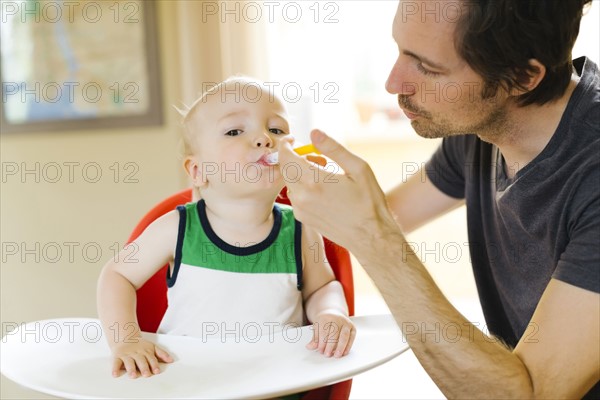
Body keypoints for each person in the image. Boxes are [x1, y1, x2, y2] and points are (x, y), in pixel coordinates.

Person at [278, 0, 599, 398]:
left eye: (427, 68)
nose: (394, 84)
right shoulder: (479, 127)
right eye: (399, 51)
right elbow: (385, 215)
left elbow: (529, 395)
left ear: (521, 77)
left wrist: (376, 241)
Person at [97, 77, 355, 379]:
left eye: (276, 130)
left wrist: (331, 314)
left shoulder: (300, 228)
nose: (264, 139)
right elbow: (116, 275)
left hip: (277, 385)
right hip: (188, 386)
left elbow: (322, 288)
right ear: (199, 170)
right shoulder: (178, 229)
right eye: (234, 131)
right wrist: (126, 340)